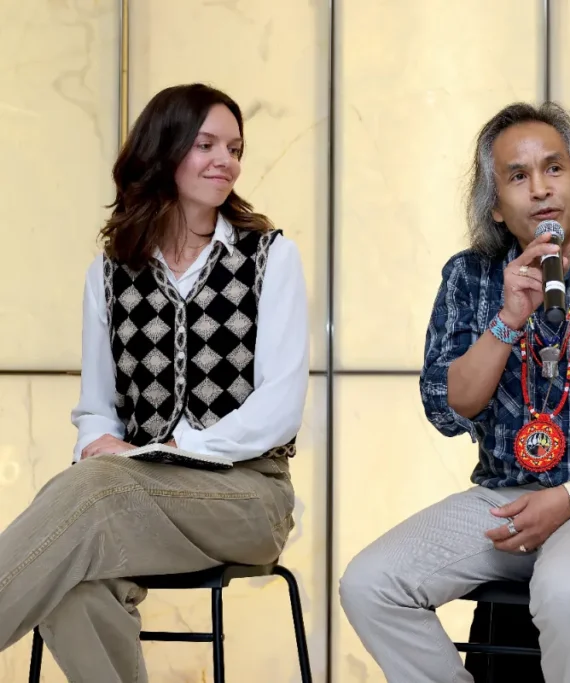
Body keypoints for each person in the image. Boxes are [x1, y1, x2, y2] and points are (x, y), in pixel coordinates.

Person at [339, 102, 570, 683]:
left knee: (567, 587)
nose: (539, 188)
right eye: (517, 176)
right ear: (495, 206)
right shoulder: (468, 278)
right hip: (506, 498)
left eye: (554, 168)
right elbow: (450, 405)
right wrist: (508, 320)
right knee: (370, 584)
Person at [0, 83, 309, 682]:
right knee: (70, 582)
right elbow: (97, 408)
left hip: (248, 497)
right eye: (206, 145)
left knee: (93, 494)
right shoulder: (110, 272)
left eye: (235, 149)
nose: (226, 162)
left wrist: (167, 450)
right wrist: (102, 447)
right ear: (164, 150)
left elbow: (279, 409)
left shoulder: (270, 257)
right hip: (132, 497)